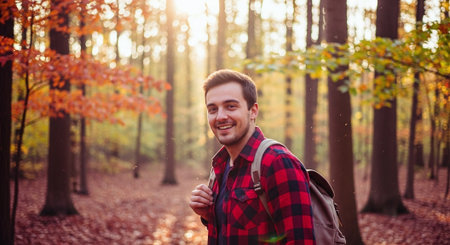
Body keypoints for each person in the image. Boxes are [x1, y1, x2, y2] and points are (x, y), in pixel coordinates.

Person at [189, 69, 315, 244]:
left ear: (253, 111)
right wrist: (208, 215)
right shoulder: (221, 165)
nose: (220, 116)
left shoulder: (277, 163)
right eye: (212, 109)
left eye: (231, 106)